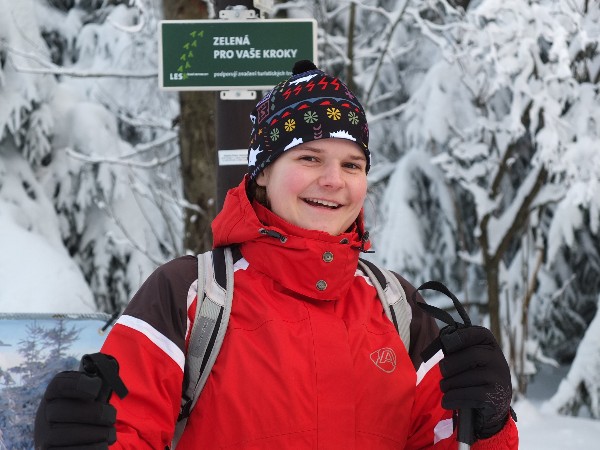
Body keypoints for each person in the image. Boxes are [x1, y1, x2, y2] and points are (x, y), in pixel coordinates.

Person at [35, 60, 518, 449]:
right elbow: (124, 431)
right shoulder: (191, 294)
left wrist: (490, 426)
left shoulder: (397, 305)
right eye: (309, 157)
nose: (333, 180)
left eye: (352, 164)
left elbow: (447, 441)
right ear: (263, 171)